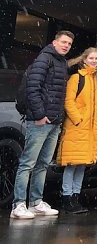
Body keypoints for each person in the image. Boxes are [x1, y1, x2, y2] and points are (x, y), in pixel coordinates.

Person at [10, 30, 73, 219]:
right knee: (28, 163)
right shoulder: (44, 59)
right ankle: (18, 204)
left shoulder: (61, 62)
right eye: (63, 42)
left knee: (42, 164)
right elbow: (33, 88)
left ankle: (36, 202)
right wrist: (39, 115)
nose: (66, 46)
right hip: (41, 121)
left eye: (69, 44)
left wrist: (56, 118)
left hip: (54, 122)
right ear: (55, 42)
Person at [57, 47, 97, 214]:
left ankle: (75, 197)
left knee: (82, 165)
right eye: (91, 58)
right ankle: (67, 198)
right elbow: (68, 101)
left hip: (91, 130)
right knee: (72, 164)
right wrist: (78, 119)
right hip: (77, 128)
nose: (94, 61)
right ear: (84, 59)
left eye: (96, 59)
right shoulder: (76, 78)